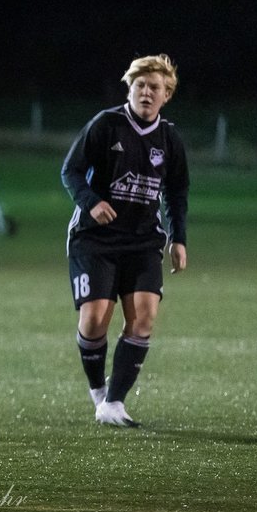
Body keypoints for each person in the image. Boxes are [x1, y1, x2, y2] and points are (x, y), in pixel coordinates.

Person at [61, 54, 188, 427]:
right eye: (140, 86)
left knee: (144, 317)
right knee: (95, 318)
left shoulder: (170, 138)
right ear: (129, 88)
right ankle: (98, 390)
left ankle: (114, 402)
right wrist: (92, 202)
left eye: (155, 88)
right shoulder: (106, 124)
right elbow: (70, 171)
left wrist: (179, 238)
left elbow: (177, 192)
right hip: (94, 239)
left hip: (143, 241)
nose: (147, 92)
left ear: (167, 95)